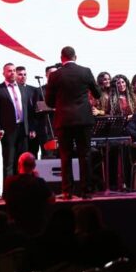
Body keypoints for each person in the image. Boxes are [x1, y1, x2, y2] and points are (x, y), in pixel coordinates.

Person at [45, 46, 101, 199]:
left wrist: (60, 104)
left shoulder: (55, 75)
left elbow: (49, 101)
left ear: (61, 58)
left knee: (65, 156)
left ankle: (67, 191)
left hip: (64, 120)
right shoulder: (85, 71)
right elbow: (97, 94)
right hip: (83, 120)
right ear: (75, 57)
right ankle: (86, 191)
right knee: (85, 155)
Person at [0, 63, 32, 179]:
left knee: (23, 162)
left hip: (23, 129)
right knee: (9, 162)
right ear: (3, 73)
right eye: (9, 71)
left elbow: (27, 109)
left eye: (14, 70)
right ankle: (8, 188)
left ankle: (23, 186)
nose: (12, 73)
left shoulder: (22, 88)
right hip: (8, 131)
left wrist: (30, 128)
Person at [2, 152, 55, 235]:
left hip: (15, 228)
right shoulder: (39, 182)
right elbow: (52, 200)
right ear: (34, 166)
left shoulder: (9, 182)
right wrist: (37, 179)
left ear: (19, 165)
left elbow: (5, 199)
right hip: (36, 228)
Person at [16, 66, 41, 155]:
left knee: (33, 154)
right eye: (20, 74)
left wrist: (33, 128)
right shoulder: (12, 91)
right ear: (15, 75)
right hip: (17, 130)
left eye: (25, 74)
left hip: (32, 129)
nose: (23, 76)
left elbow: (35, 111)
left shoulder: (34, 90)